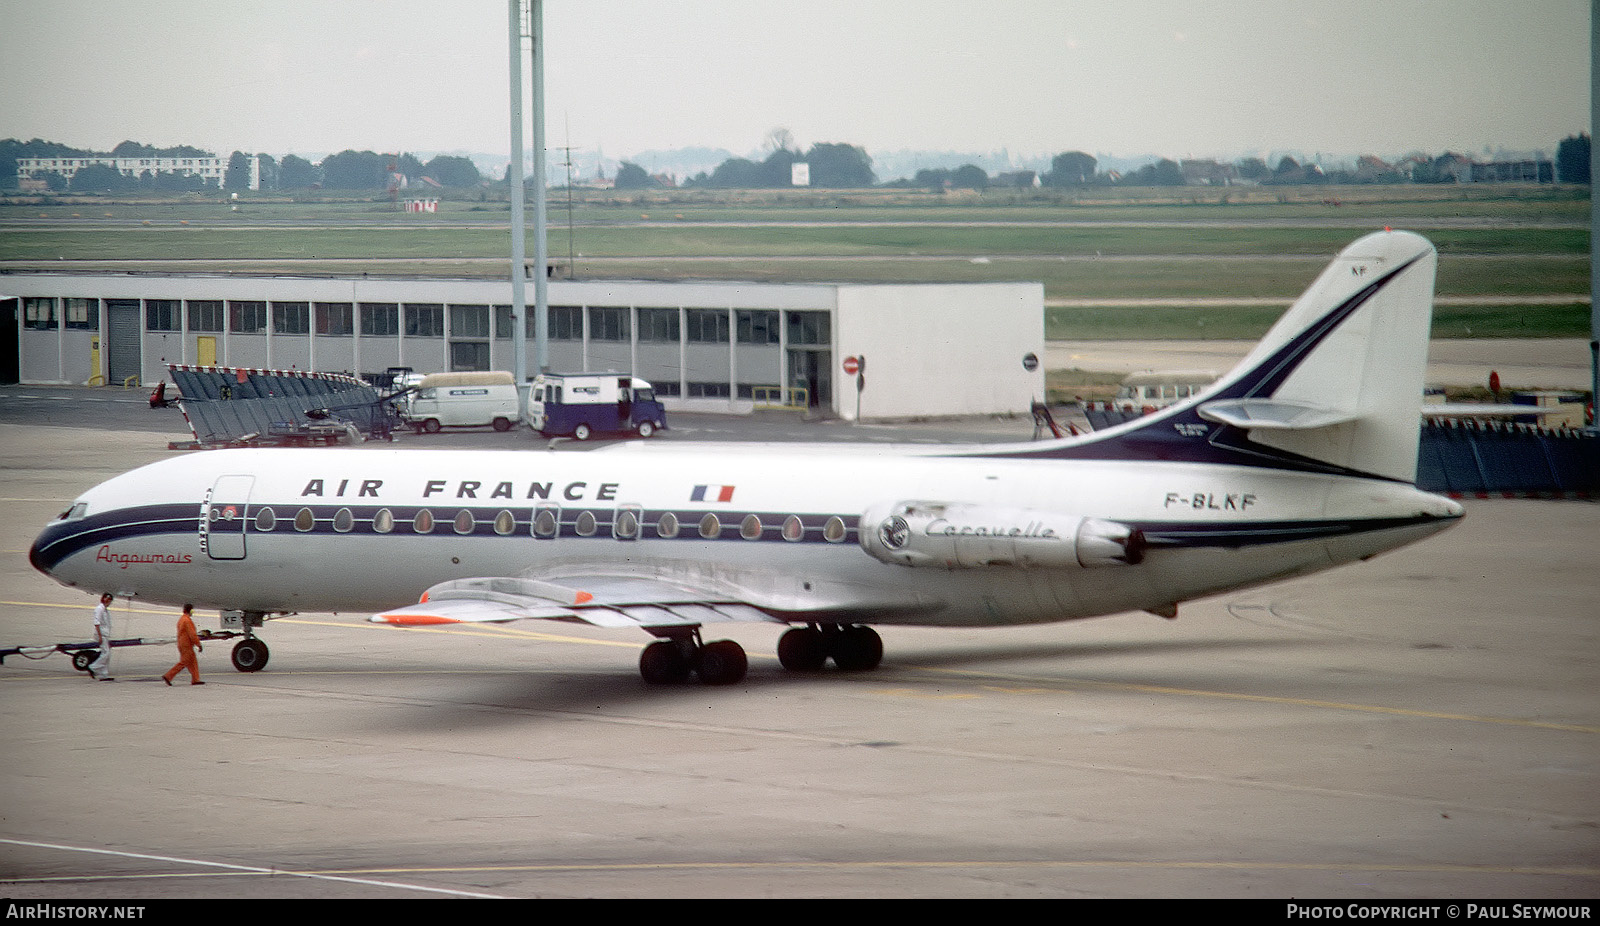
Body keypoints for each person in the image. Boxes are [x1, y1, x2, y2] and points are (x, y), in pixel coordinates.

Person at [162, 604, 204, 686]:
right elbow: (192, 635)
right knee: (184, 662)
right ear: (191, 611)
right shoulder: (187, 621)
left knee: (193, 662)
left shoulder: (182, 619)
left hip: (182, 643)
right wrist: (198, 644)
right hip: (186, 645)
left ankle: (196, 679)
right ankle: (168, 676)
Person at [89, 593, 114, 681]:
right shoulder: (99, 609)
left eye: (109, 600)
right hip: (101, 634)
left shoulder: (105, 609)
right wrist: (99, 636)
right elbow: (96, 623)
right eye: (107, 600)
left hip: (105, 634)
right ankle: (93, 667)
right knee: (106, 653)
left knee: (106, 654)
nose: (108, 602)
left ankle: (104, 675)